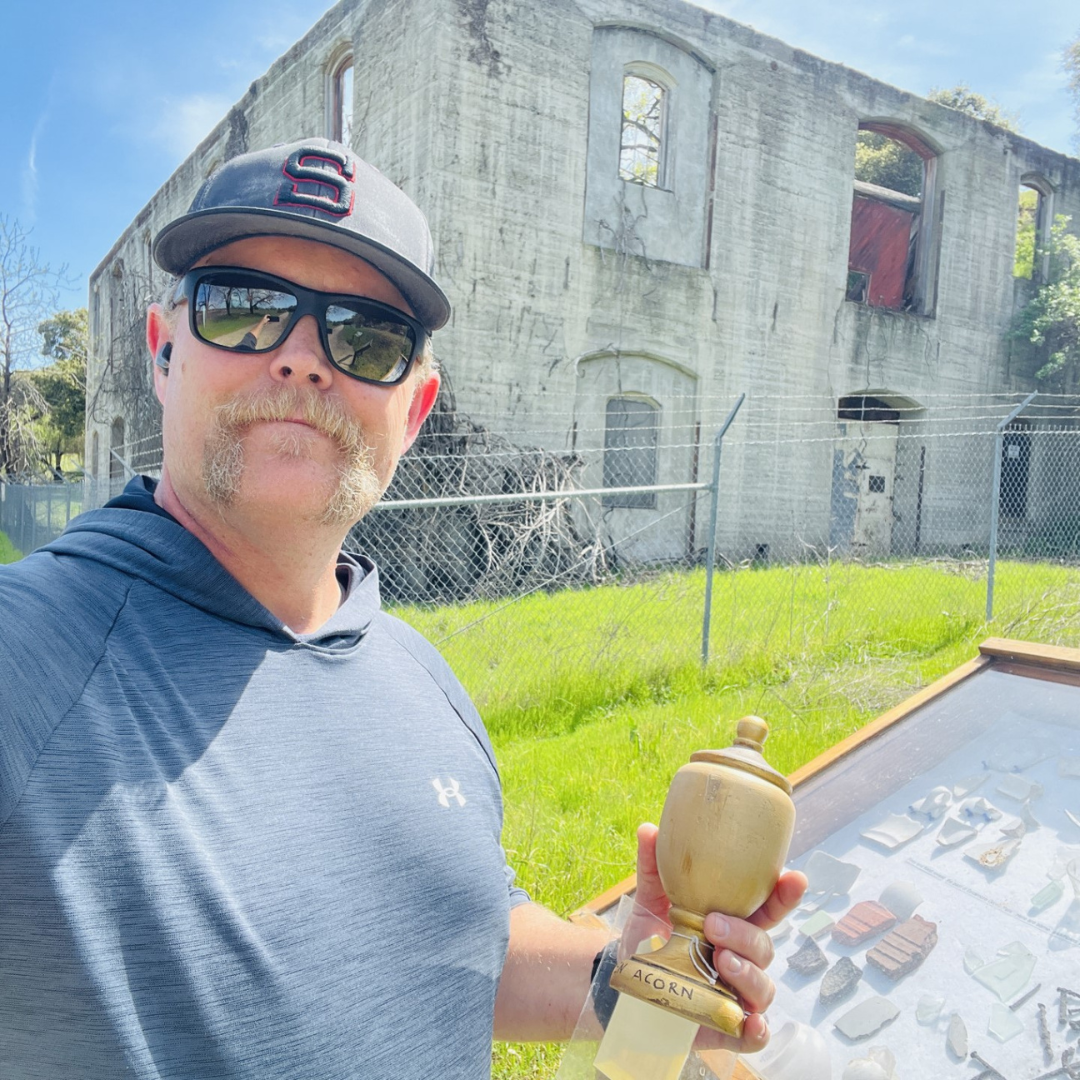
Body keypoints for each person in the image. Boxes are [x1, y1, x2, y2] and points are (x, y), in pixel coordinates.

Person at [0, 138, 805, 1079]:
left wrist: (624, 971)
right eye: (246, 310)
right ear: (164, 350)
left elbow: (459, 943)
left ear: (415, 409)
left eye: (365, 336)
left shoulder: (420, 678)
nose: (301, 359)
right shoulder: (30, 654)